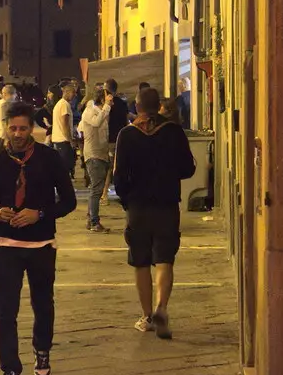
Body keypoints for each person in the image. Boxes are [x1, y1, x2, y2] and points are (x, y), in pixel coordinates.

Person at [0, 103, 77, 375]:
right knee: (5, 310)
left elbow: (69, 201)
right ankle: (10, 372)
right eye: (13, 128)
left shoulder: (49, 159)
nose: (18, 134)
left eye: (23, 128)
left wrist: (41, 214)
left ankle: (42, 348)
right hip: (6, 244)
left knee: (42, 303)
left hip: (42, 243)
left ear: (32, 128)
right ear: (5, 127)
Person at [113, 87, 197, 339]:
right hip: (167, 203)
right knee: (164, 259)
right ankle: (162, 307)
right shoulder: (174, 132)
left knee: (140, 261)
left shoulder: (126, 134)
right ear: (158, 106)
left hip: (138, 206)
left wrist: (127, 199)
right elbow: (188, 168)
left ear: (137, 108)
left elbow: (119, 176)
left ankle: (148, 315)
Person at [79, 85, 112, 232]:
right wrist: (106, 107)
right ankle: (94, 222)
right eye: (109, 98)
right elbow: (96, 123)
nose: (112, 102)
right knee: (96, 190)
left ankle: (90, 219)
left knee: (96, 189)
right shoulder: (90, 111)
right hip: (93, 155)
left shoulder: (99, 111)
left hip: (101, 154)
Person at [48, 82, 77, 180]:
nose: (74, 95)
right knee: (65, 167)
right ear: (67, 92)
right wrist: (71, 140)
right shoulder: (64, 105)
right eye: (73, 92)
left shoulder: (59, 104)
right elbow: (65, 124)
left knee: (62, 167)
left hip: (58, 140)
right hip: (63, 141)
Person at [105, 78, 130, 145]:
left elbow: (106, 121)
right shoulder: (123, 103)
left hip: (109, 139)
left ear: (107, 90)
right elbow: (127, 121)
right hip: (121, 138)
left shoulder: (107, 105)